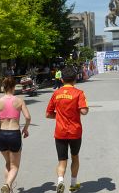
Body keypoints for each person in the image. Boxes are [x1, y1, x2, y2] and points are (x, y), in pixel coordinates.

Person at [46, 65, 89, 193]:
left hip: (60, 132)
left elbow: (48, 114)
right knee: (75, 157)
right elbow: (84, 111)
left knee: (61, 160)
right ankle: (73, 184)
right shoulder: (79, 93)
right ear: (75, 79)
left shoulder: (56, 93)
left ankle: (60, 181)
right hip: (75, 132)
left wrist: (59, 116)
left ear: (62, 80)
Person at [0, 76, 31, 193]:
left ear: (4, 87)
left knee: (8, 162)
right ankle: (7, 184)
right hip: (14, 134)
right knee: (15, 166)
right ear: (13, 87)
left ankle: (9, 189)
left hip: (1, 135)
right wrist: (25, 129)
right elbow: (27, 117)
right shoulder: (19, 101)